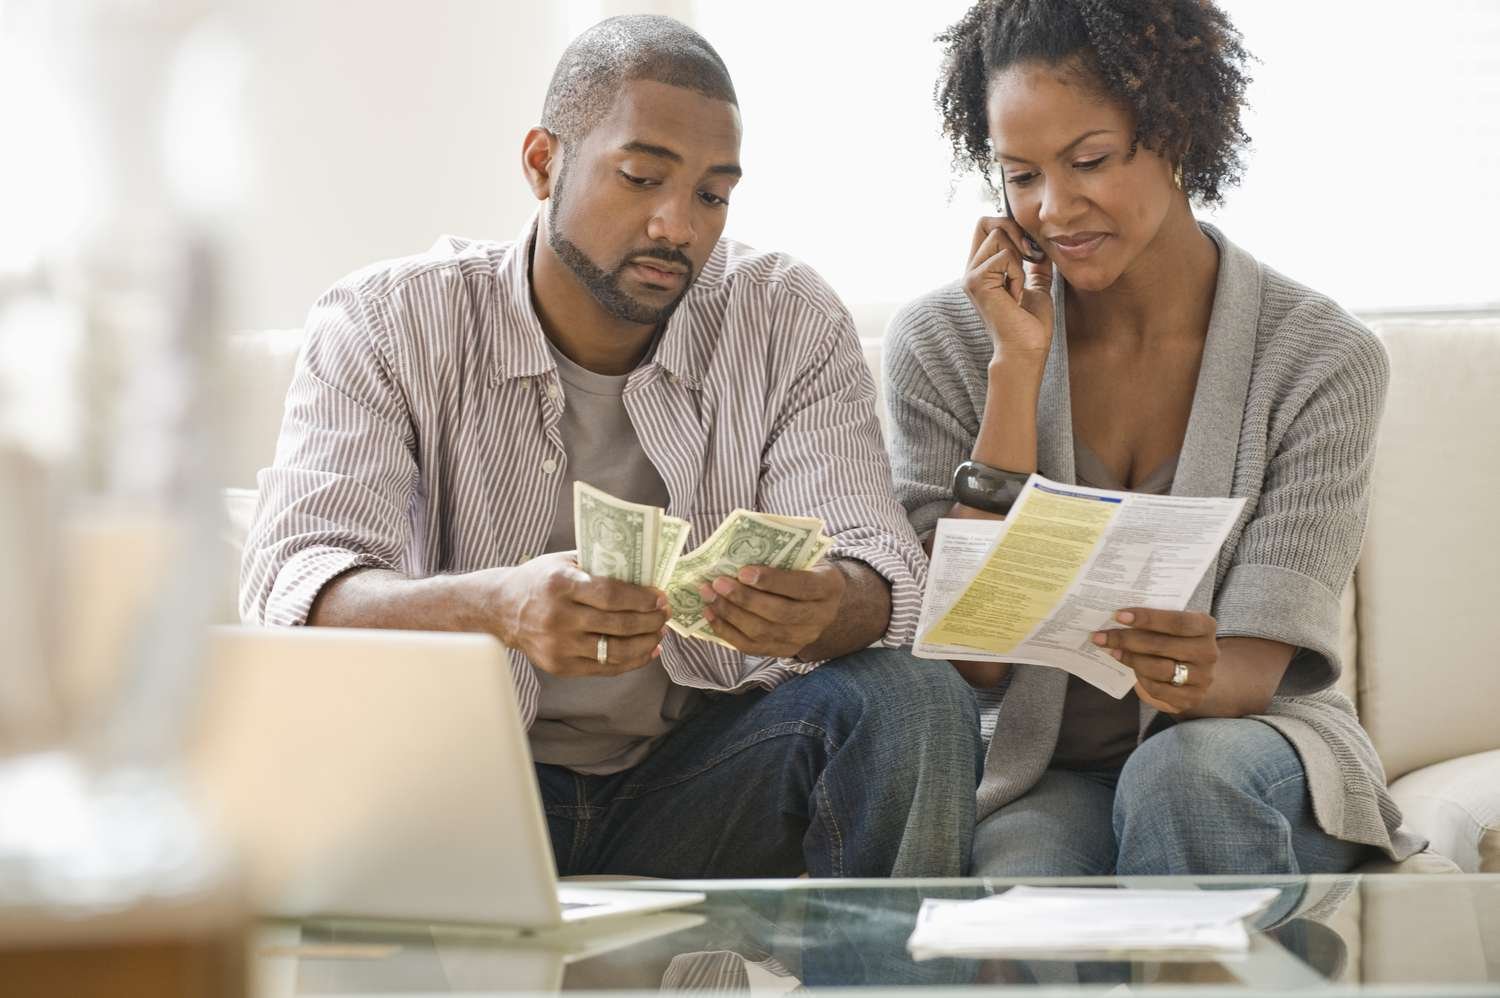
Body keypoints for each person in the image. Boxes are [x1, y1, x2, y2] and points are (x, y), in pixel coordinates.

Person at [241, 15, 980, 878]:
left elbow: (882, 569)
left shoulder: (786, 317)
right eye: (640, 177)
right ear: (543, 162)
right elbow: (296, 585)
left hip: (702, 780)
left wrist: (827, 604)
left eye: (713, 195)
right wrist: (496, 608)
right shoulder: (388, 321)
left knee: (917, 698)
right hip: (462, 787)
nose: (678, 225)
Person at [883, 0, 1424, 876]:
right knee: (1023, 894)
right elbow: (976, 664)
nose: (1055, 208)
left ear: (1174, 134)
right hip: (1044, 769)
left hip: (1247, 746)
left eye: (1089, 160)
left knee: (1181, 777)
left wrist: (1191, 670)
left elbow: (1253, 666)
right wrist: (1013, 374)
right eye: (1021, 176)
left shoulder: (1323, 358)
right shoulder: (947, 341)